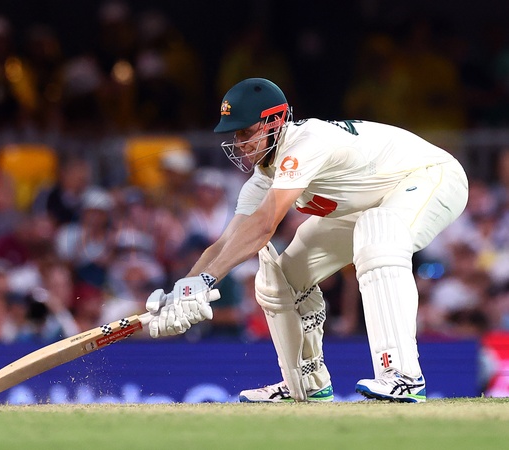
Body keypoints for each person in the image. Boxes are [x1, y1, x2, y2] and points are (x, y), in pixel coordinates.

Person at [144, 77, 469, 403]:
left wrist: (206, 280)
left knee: (379, 234)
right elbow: (226, 241)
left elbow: (264, 227)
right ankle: (306, 383)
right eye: (236, 135)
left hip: (432, 177)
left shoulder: (306, 144)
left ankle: (403, 376)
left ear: (274, 121)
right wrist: (184, 288)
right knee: (281, 279)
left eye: (246, 132)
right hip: (370, 201)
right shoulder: (264, 176)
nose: (240, 143)